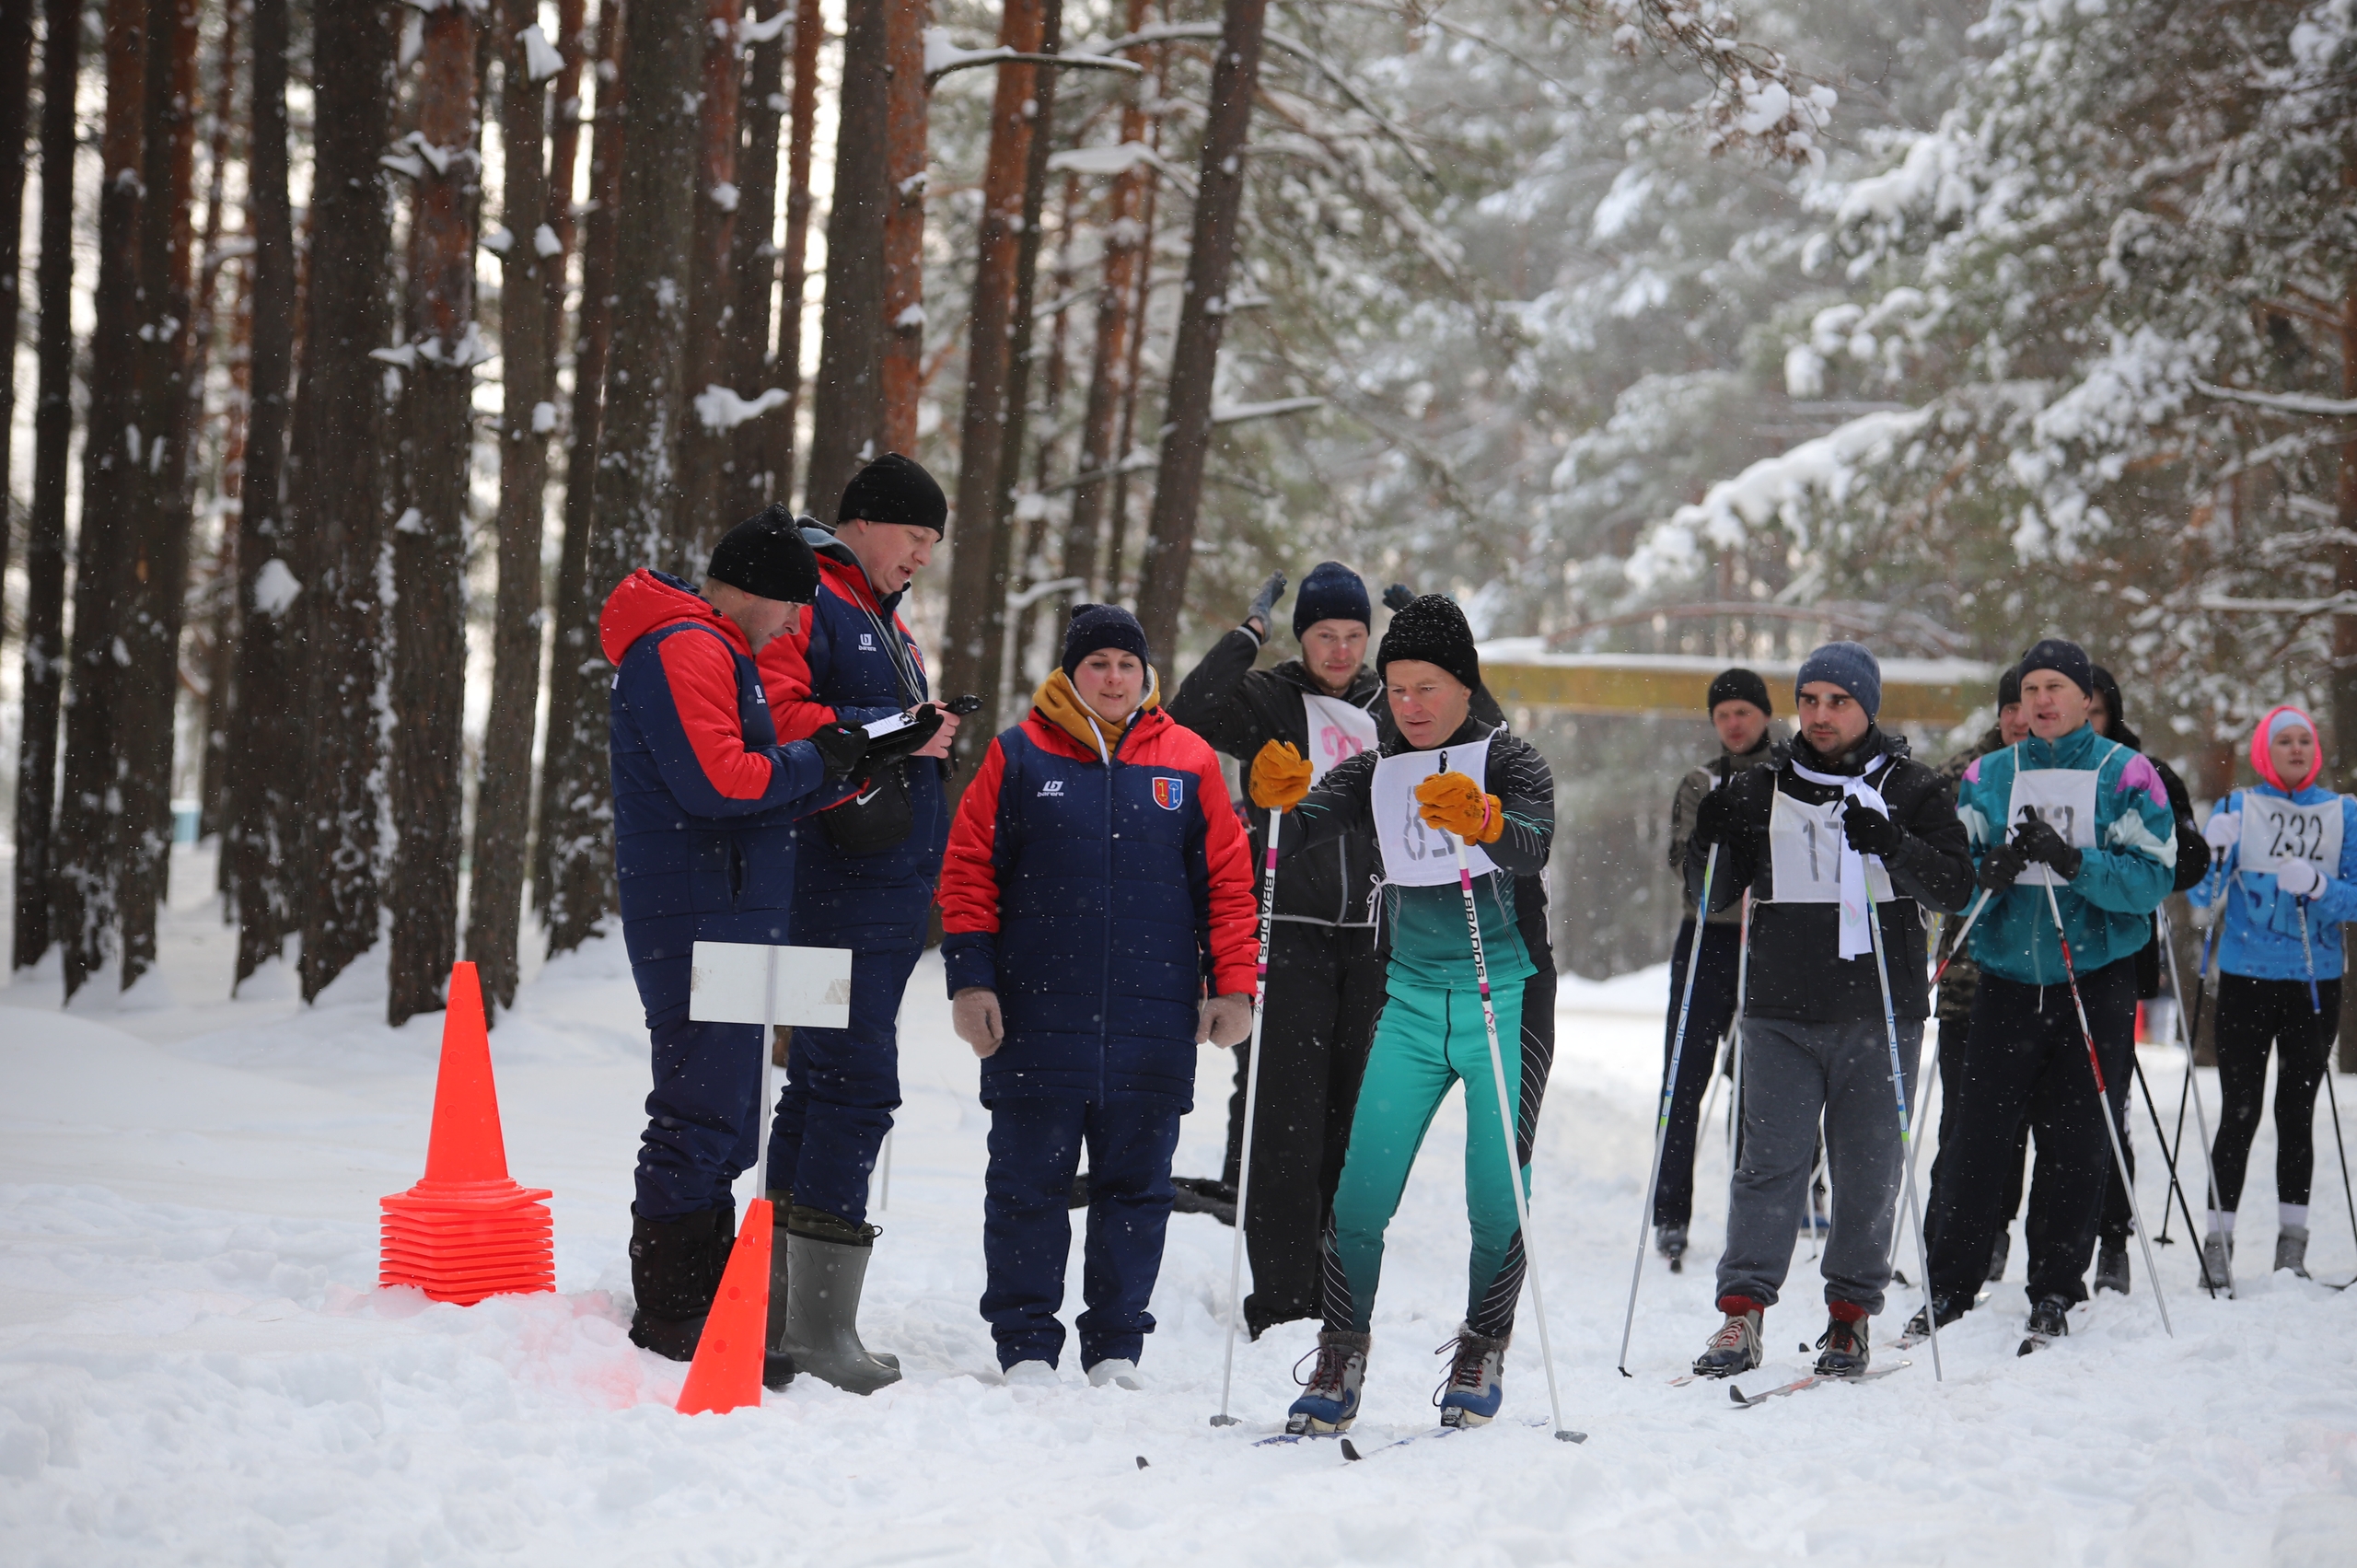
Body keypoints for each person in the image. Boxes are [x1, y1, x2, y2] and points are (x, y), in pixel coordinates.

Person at [603, 508, 938, 1370]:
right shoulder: (684, 648)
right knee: (700, 1112)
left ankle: (714, 1306)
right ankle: (676, 1314)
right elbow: (719, 782)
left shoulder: (718, 649)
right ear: (757, 592)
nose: (796, 626)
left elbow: (756, 788)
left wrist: (848, 764)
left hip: (736, 908)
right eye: (790, 608)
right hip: (698, 912)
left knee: (730, 1116)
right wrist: (823, 759)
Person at [939, 604, 1259, 1388]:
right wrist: (971, 978)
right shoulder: (1018, 755)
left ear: (1145, 673)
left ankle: (1116, 1345)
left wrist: (1234, 985)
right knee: (1025, 1185)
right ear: (1070, 673)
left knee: (1137, 1191)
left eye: (1126, 664)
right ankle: (1025, 1344)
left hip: (1153, 1020)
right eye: (1097, 665)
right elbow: (969, 870)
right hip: (1036, 1013)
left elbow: (1227, 881)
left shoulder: (1187, 760)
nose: (1113, 678)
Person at [1259, 596, 1557, 1433]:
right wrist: (1281, 800)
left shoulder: (1514, 759)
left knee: (1497, 1195)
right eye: (1395, 689)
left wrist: (1486, 818)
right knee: (1360, 1194)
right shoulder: (1377, 770)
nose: (1410, 705)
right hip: (1414, 1002)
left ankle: (1483, 1343)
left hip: (1509, 998)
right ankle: (1341, 1351)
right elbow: (1311, 820)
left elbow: (1535, 840)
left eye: (1427, 686)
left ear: (1465, 687)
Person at [1681, 645, 1974, 1377]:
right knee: (1769, 1166)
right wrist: (1710, 835)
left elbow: (1954, 887)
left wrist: (1895, 846)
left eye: (1836, 701)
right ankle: (1740, 1315)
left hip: (1880, 1011)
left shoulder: (1911, 788)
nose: (1818, 715)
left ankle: (1849, 1318)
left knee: (1869, 1172)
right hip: (1780, 1009)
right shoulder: (1762, 787)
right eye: (1808, 700)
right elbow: (1708, 894)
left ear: (1867, 706)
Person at [755, 452, 960, 1391]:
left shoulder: (874, 613)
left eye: (931, 541)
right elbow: (785, 713)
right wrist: (899, 724)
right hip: (832, 890)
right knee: (853, 1092)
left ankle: (780, 1316)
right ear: (865, 521)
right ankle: (814, 1332)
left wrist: (917, 727)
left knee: (820, 1092)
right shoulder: (813, 598)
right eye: (914, 533)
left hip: (872, 894)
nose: (923, 552)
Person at [1918, 638, 2177, 1347]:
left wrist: (2075, 862)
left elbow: (2151, 876)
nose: (2041, 699)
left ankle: (2056, 1288)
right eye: (2031, 687)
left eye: (2056, 685)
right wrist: (1987, 872)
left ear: (2086, 696)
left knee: (2077, 1142)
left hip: (2093, 978)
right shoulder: (1990, 773)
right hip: (2006, 976)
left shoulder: (2129, 774)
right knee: (1977, 1139)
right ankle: (1949, 1285)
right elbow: (1958, 872)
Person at [1163, 563, 1396, 1335]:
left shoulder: (1388, 702)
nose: (1339, 649)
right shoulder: (1270, 697)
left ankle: (1335, 1282)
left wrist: (1438, 637)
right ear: (1304, 636)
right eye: (1325, 634)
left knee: (1350, 1123)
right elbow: (1191, 711)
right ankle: (1282, 1294)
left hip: (1367, 933)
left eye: (1354, 635)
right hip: (1285, 928)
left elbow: (1475, 736)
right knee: (1285, 1119)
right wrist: (1246, 635)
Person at [2188, 705, 2356, 1290]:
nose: (2296, 750)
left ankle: (2292, 1247)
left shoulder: (2344, 813)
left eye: (2304, 741)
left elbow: (2356, 896)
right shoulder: (2239, 808)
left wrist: (2320, 887)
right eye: (2283, 741)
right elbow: (2201, 900)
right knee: (2238, 1111)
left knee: (2298, 1111)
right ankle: (2218, 1243)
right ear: (2264, 750)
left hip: (2314, 979)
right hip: (2245, 979)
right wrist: (2211, 850)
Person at [1654, 667, 1782, 1271]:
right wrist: (1709, 840)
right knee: (1684, 1074)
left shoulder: (1791, 775)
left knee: (1761, 1083)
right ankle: (1670, 1211)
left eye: (1744, 712)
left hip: (1773, 940)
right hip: (1707, 938)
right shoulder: (1699, 781)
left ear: (1765, 715)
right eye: (1723, 713)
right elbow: (1681, 862)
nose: (1734, 723)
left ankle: (1755, 1209)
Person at [1933, 665, 2027, 1282]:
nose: (2025, 715)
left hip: (2037, 976)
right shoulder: (1962, 775)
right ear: (2001, 713)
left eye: (2037, 701)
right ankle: (1944, 1230)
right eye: (2014, 704)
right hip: (1968, 978)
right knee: (1961, 1116)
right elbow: (1932, 867)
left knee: (2015, 1121)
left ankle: (1995, 1229)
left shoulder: (2071, 776)